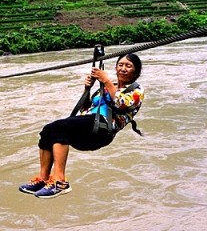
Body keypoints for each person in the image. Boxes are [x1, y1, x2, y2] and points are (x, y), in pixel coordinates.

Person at [19, 52, 144, 198]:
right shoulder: (107, 86)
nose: (123, 68)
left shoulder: (137, 90)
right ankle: (43, 179)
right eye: (120, 65)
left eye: (128, 66)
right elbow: (86, 109)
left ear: (136, 71)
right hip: (90, 123)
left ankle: (60, 182)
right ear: (116, 68)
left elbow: (121, 103)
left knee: (60, 127)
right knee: (48, 130)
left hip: (103, 129)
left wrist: (106, 81)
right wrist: (87, 89)